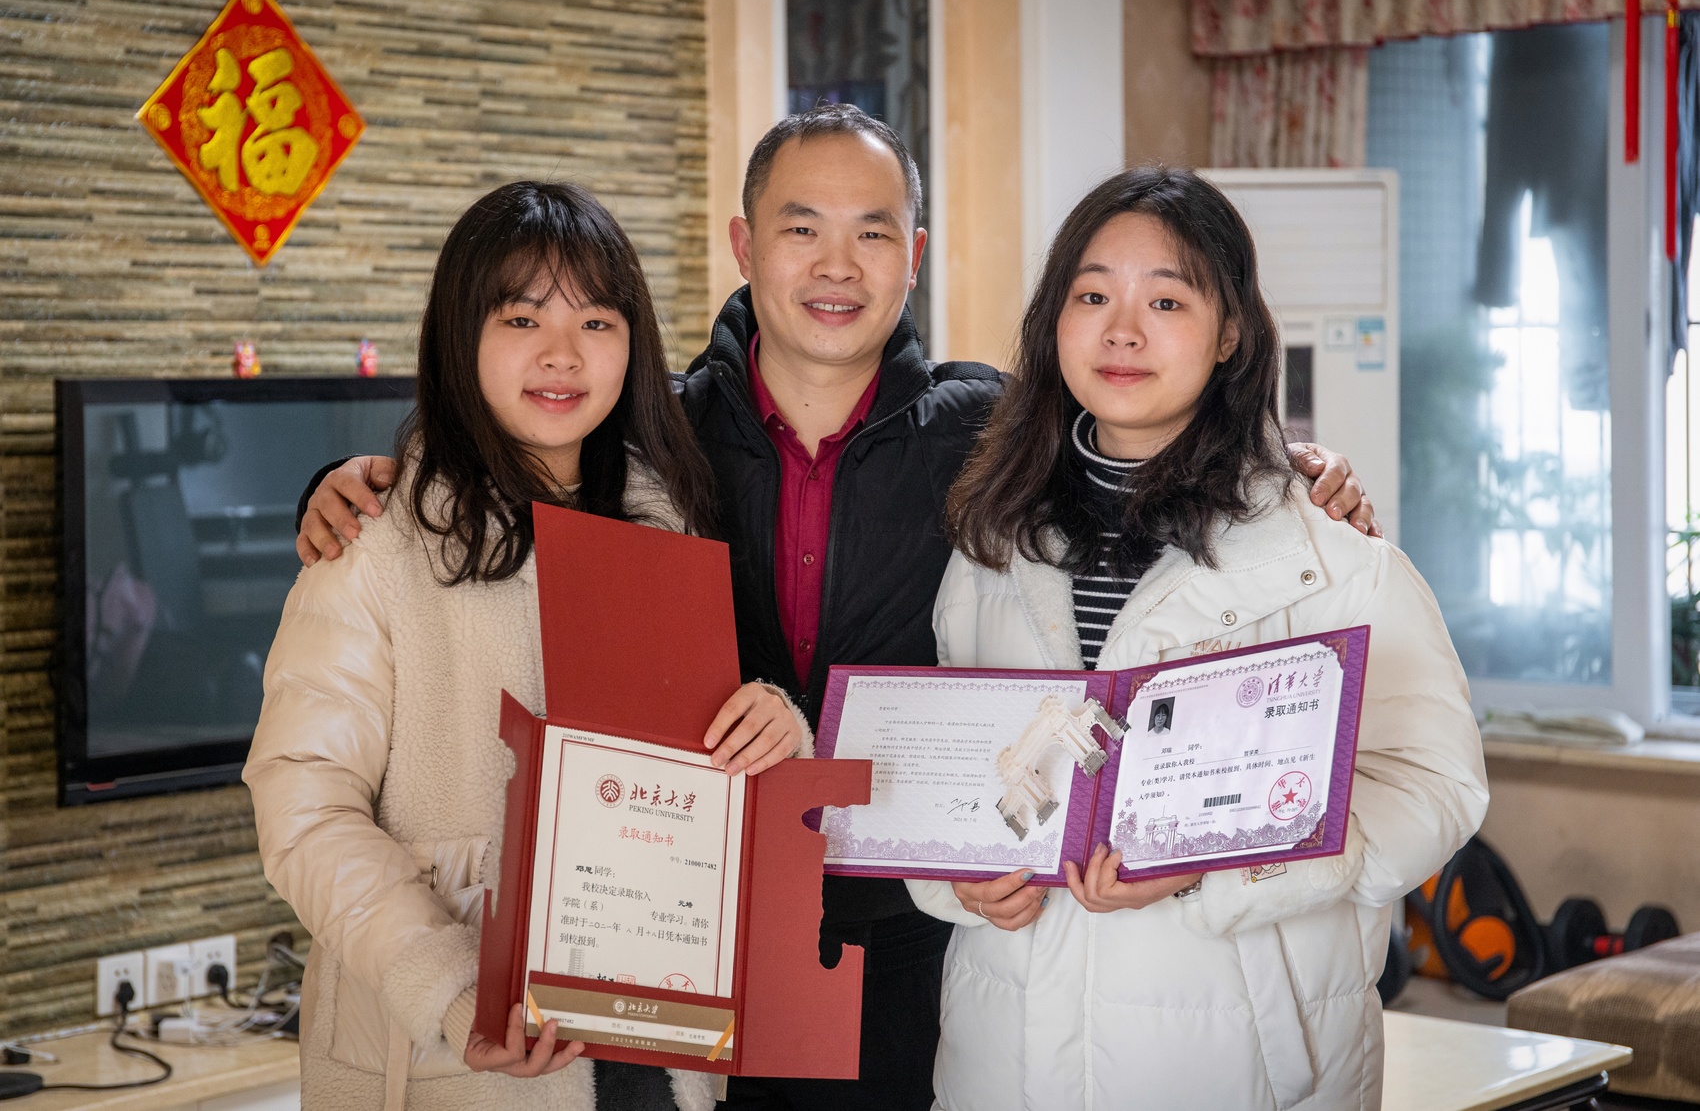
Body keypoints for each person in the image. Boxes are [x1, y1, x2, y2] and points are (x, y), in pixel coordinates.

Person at [291, 107, 1380, 1110]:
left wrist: (1293, 470)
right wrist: (350, 481)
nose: (835, 265)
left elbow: (1142, 447)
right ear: (744, 243)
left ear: (914, 253)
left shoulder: (995, 437)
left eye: (872, 232)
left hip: (908, 942)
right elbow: (510, 453)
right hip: (686, 926)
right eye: (801, 227)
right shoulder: (656, 443)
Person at [909, 166, 1488, 1110]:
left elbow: (1435, 785)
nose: (1122, 330)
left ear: (1230, 333)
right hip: (1005, 1055)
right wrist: (960, 875)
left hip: (1242, 1060)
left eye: (1167, 300)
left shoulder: (1327, 555)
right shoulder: (991, 544)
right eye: (1091, 296)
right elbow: (956, 767)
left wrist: (1225, 861)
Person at [243, 181, 809, 1111]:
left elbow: (704, 777)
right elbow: (303, 808)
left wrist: (776, 728)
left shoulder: (665, 526)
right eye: (521, 317)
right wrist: (449, 982)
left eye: (597, 321)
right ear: (459, 336)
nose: (562, 353)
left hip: (656, 1059)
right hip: (455, 1055)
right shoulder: (375, 541)